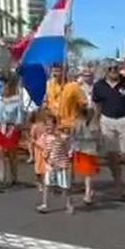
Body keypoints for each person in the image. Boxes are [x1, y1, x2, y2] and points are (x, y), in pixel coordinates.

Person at [92, 61, 125, 200]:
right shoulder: (99, 86)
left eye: (116, 68)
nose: (113, 70)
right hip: (107, 120)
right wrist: (95, 124)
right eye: (110, 68)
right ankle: (118, 185)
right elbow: (97, 106)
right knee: (112, 155)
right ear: (106, 70)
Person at [48, 66, 95, 205]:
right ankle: (68, 184)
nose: (56, 73)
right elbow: (50, 105)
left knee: (84, 158)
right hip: (59, 127)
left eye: (59, 70)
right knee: (62, 158)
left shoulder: (73, 87)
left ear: (65, 71)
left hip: (75, 127)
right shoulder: (51, 86)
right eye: (54, 71)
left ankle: (88, 191)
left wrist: (83, 122)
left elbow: (85, 105)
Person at [0, 74, 25, 192]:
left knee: (12, 154)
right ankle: (1, 180)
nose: (3, 88)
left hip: (11, 128)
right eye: (1, 86)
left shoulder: (17, 100)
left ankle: (14, 178)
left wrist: (14, 127)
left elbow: (20, 117)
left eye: (5, 85)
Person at [36, 110, 75, 214]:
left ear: (55, 125)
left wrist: (69, 155)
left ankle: (69, 204)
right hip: (50, 165)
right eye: (46, 125)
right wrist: (45, 155)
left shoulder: (62, 137)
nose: (48, 128)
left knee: (65, 187)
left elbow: (69, 146)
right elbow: (41, 147)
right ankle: (45, 204)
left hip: (61, 165)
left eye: (50, 125)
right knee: (47, 185)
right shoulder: (45, 137)